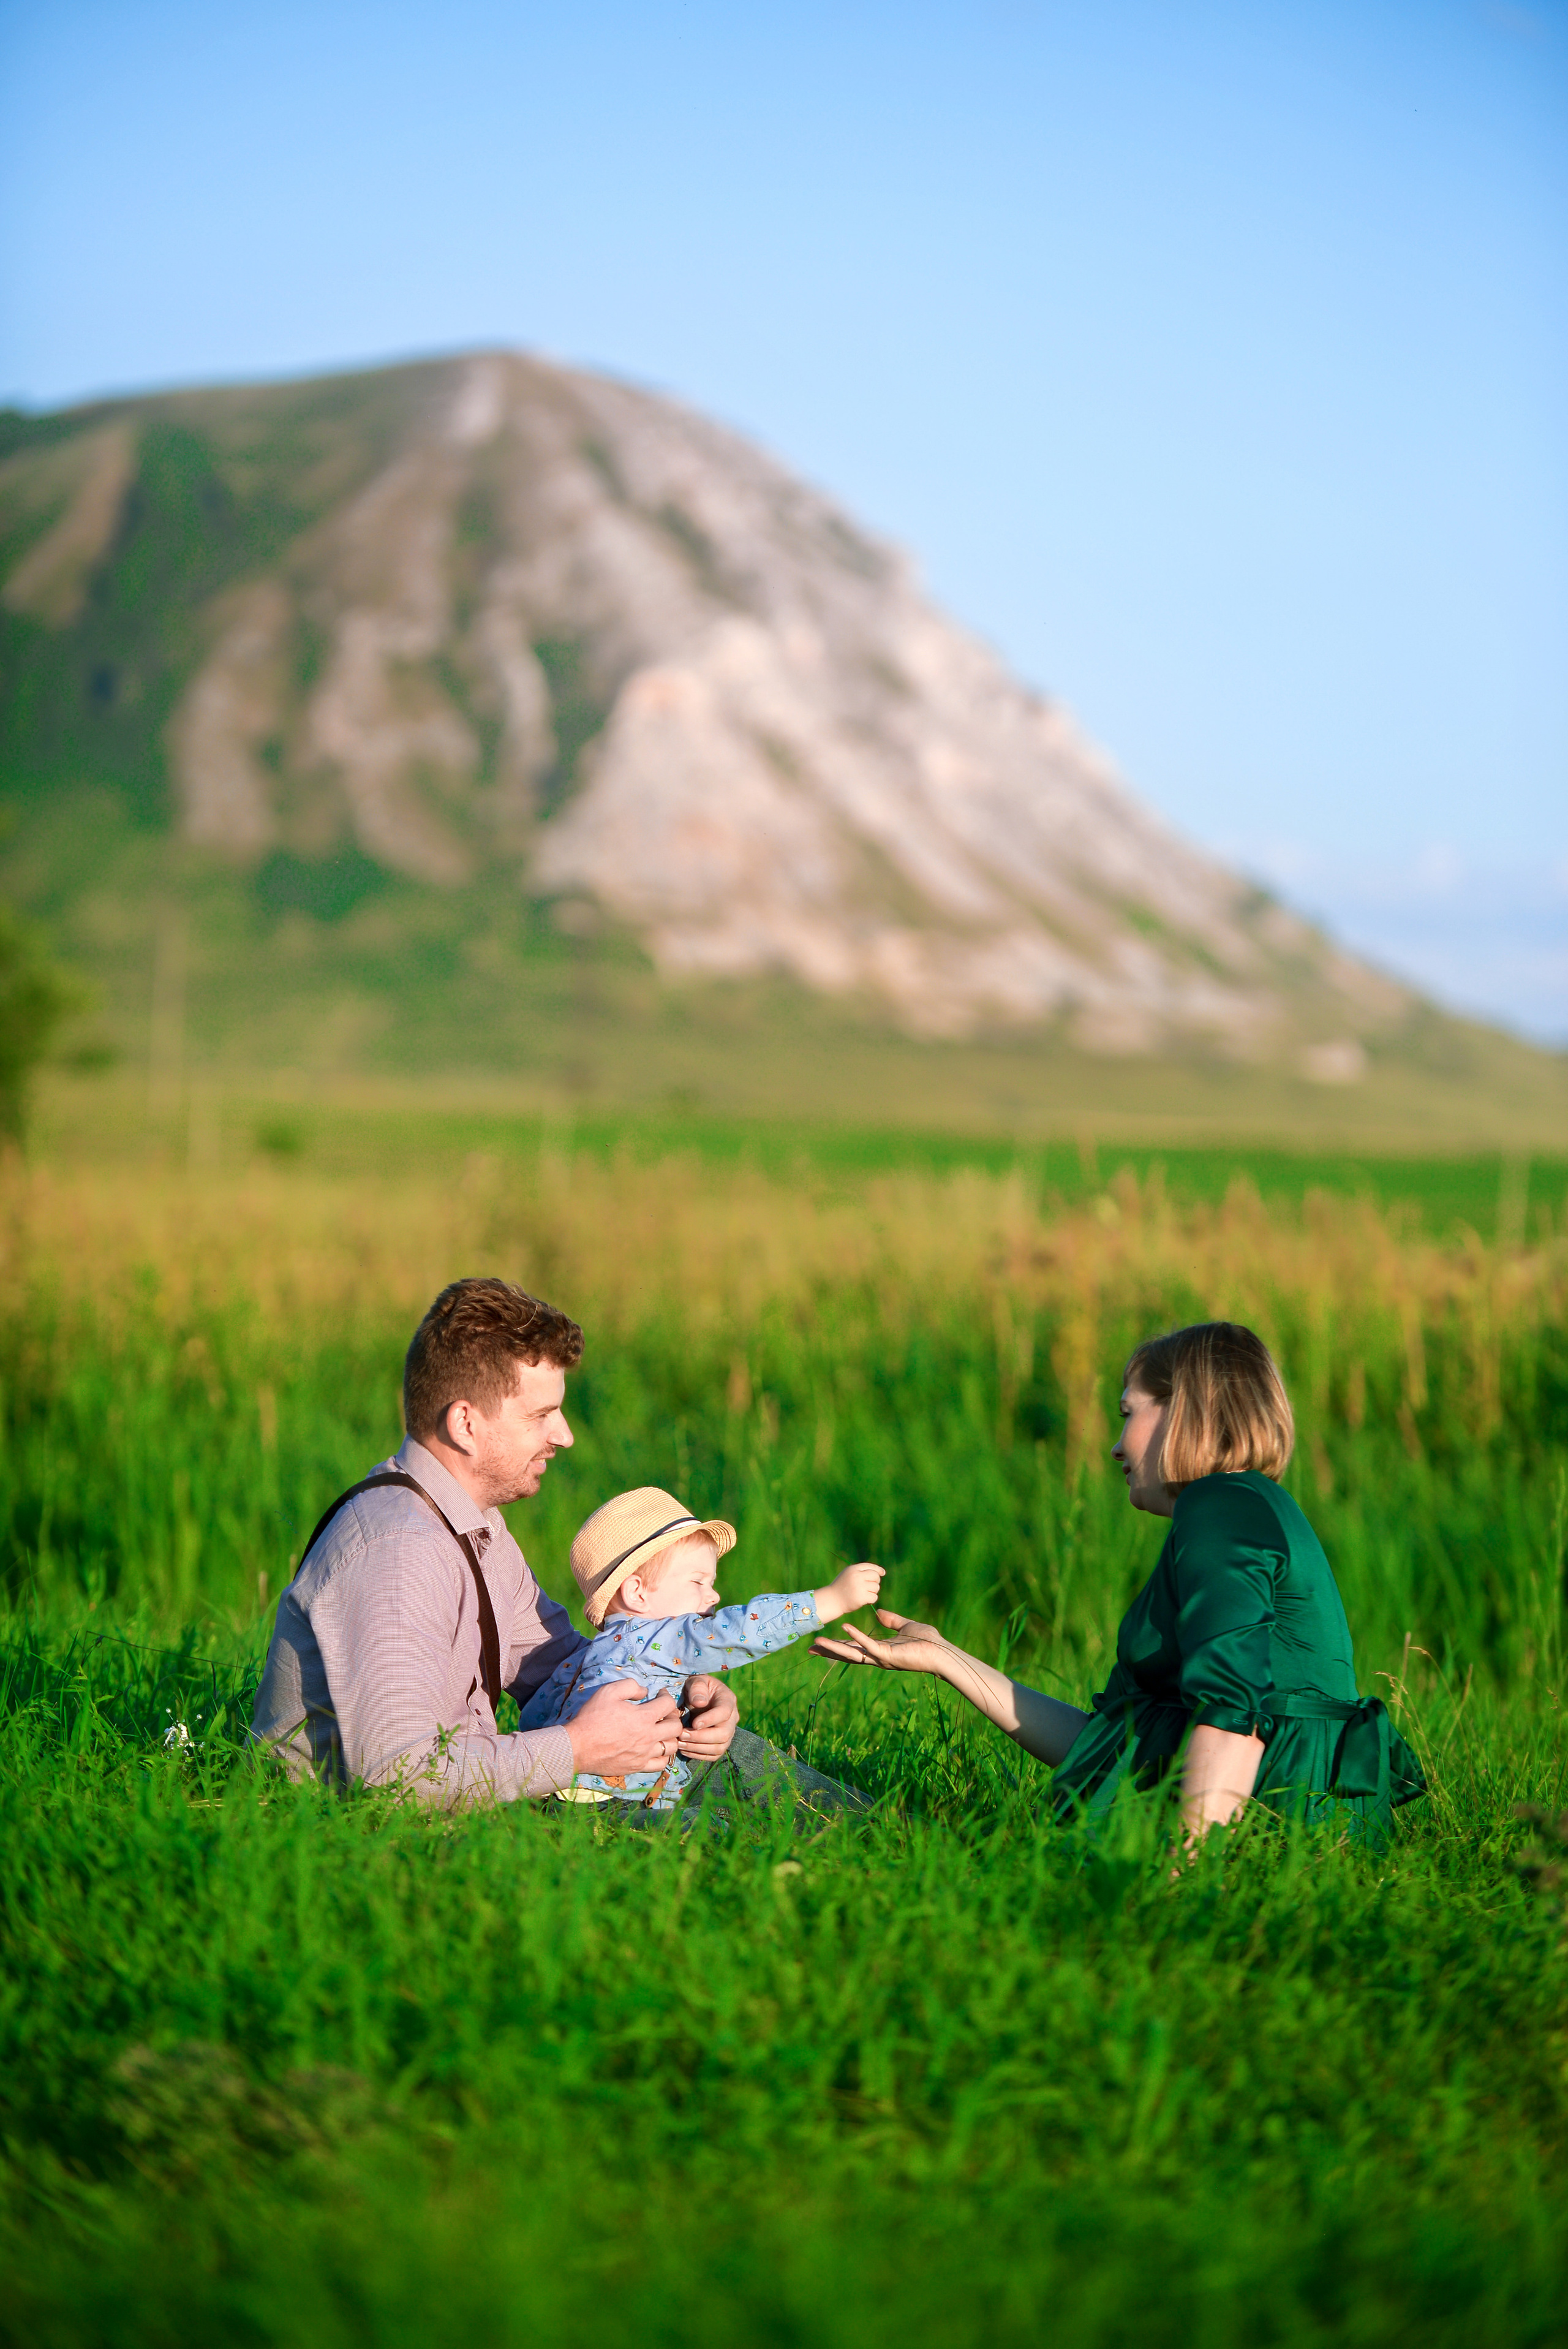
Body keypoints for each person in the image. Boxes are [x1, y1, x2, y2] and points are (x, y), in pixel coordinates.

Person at [813, 1321, 1426, 1846]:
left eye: (1128, 1413)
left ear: (1185, 1411)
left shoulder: (1221, 1505)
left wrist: (1182, 1882)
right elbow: (1110, 1744)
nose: (1114, 1446)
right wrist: (944, 1657)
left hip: (1274, 1820)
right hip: (1277, 1810)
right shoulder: (1237, 1506)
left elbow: (1231, 1720)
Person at [250, 1279, 740, 1804]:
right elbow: (396, 1779)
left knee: (736, 1761)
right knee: (721, 1828)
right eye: (540, 1416)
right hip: (360, 1831)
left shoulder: (471, 1522)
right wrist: (577, 1749)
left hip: (466, 1805)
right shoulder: (398, 1551)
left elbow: (557, 1668)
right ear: (465, 1423)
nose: (565, 1436)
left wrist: (685, 1692)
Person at [520, 1484, 883, 1813]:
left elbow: (536, 1718)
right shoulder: (654, 1637)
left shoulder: (584, 1657)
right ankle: (873, 1822)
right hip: (614, 1805)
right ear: (637, 1593)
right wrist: (828, 1601)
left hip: (572, 1796)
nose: (714, 1596)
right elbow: (732, 1633)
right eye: (698, 1582)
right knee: (706, 1838)